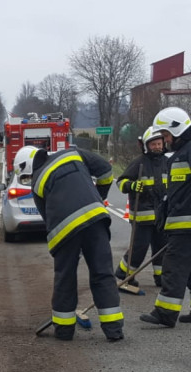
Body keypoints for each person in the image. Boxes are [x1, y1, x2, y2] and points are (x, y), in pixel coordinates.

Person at [18, 144, 124, 342]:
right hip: (95, 219)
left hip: (64, 230)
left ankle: (64, 331)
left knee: (65, 277)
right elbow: (106, 171)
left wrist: (61, 247)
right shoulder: (73, 153)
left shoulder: (37, 182)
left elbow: (46, 217)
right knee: (103, 273)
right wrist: (99, 196)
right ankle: (114, 330)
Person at [140, 107, 191, 328]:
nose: (164, 141)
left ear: (177, 129)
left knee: (173, 265)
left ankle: (165, 312)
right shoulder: (184, 151)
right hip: (185, 220)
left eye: (165, 136)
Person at [114, 127, 170, 288]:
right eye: (153, 144)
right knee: (139, 249)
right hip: (142, 217)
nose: (157, 147)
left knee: (161, 250)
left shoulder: (168, 163)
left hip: (161, 217)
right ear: (146, 146)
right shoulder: (139, 163)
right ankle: (124, 275)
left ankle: (160, 277)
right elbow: (120, 182)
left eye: (159, 143)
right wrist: (132, 185)